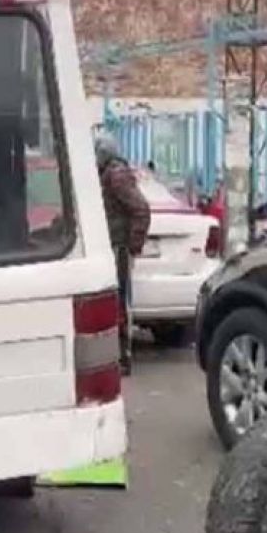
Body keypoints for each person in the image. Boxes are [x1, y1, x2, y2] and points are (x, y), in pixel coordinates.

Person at [95, 133, 150, 375]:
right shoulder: (109, 173)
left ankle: (122, 357)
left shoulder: (116, 175)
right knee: (114, 302)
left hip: (118, 247)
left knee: (118, 304)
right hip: (112, 246)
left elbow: (141, 209)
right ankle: (117, 356)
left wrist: (132, 245)